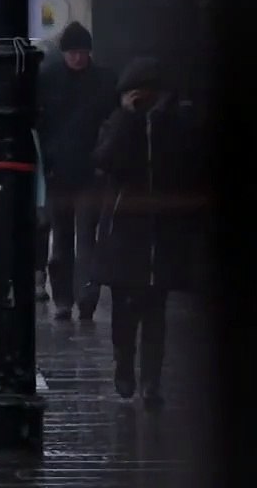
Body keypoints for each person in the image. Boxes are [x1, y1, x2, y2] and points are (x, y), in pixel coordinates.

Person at [91, 57, 201, 406]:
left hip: (163, 231)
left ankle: (152, 381)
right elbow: (104, 160)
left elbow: (190, 167)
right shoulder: (119, 123)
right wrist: (128, 118)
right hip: (127, 229)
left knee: (156, 311)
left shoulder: (176, 125)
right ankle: (124, 364)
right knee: (125, 309)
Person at [37, 21, 116, 321]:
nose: (78, 58)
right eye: (73, 52)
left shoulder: (101, 82)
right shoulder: (50, 80)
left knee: (82, 238)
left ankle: (82, 298)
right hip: (60, 173)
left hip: (86, 172)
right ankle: (65, 298)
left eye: (82, 52)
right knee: (65, 240)